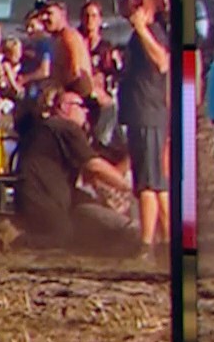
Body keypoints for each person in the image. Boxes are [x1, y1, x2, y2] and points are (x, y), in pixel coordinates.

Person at [14, 88, 140, 255]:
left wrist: (104, 192)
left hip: (39, 194)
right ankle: (10, 239)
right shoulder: (65, 127)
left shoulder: (45, 128)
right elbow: (93, 165)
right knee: (60, 237)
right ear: (65, 107)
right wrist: (128, 187)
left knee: (82, 219)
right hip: (44, 196)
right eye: (80, 106)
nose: (85, 111)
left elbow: (88, 171)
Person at [116, 0, 170, 256]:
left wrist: (141, 28)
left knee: (148, 183)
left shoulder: (152, 31)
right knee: (154, 181)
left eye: (129, 0)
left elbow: (162, 61)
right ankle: (166, 238)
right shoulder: (138, 36)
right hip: (139, 114)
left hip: (150, 113)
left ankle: (146, 244)